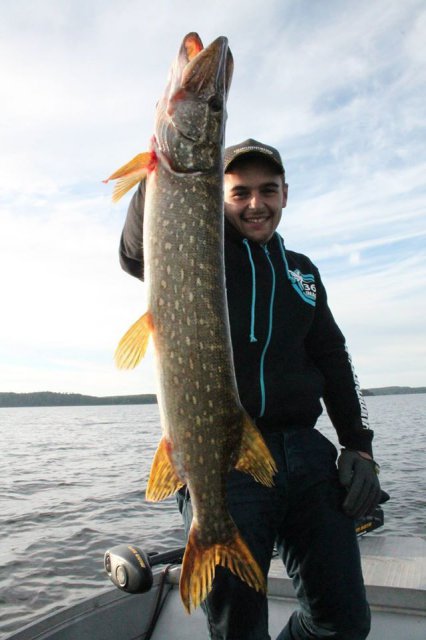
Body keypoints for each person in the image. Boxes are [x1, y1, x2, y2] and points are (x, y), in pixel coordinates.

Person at [119, 138, 385, 639]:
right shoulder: (201, 253)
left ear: (285, 194)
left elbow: (333, 358)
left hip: (306, 456)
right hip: (226, 462)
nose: (256, 204)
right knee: (239, 630)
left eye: (268, 191)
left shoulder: (303, 271)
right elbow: (137, 254)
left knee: (343, 622)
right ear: (219, 197)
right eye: (240, 193)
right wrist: (158, 176)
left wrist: (359, 445)